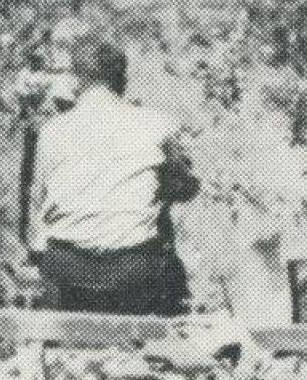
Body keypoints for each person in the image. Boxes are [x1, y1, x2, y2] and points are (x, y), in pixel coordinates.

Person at [26, 36, 199, 317]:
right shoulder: (157, 124)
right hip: (132, 272)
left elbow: (39, 201)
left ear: (75, 82)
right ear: (122, 81)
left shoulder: (51, 131)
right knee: (162, 230)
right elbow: (187, 188)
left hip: (66, 271)